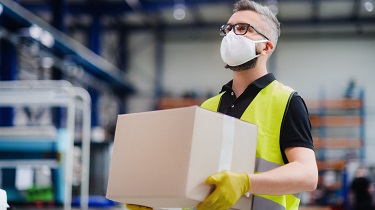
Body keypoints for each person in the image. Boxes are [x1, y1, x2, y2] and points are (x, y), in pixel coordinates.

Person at [127, 0, 318, 209]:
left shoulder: (286, 101)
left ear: (266, 46)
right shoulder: (208, 107)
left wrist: (246, 183)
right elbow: (194, 180)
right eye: (228, 29)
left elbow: (308, 174)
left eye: (243, 28)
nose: (231, 36)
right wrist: (154, 200)